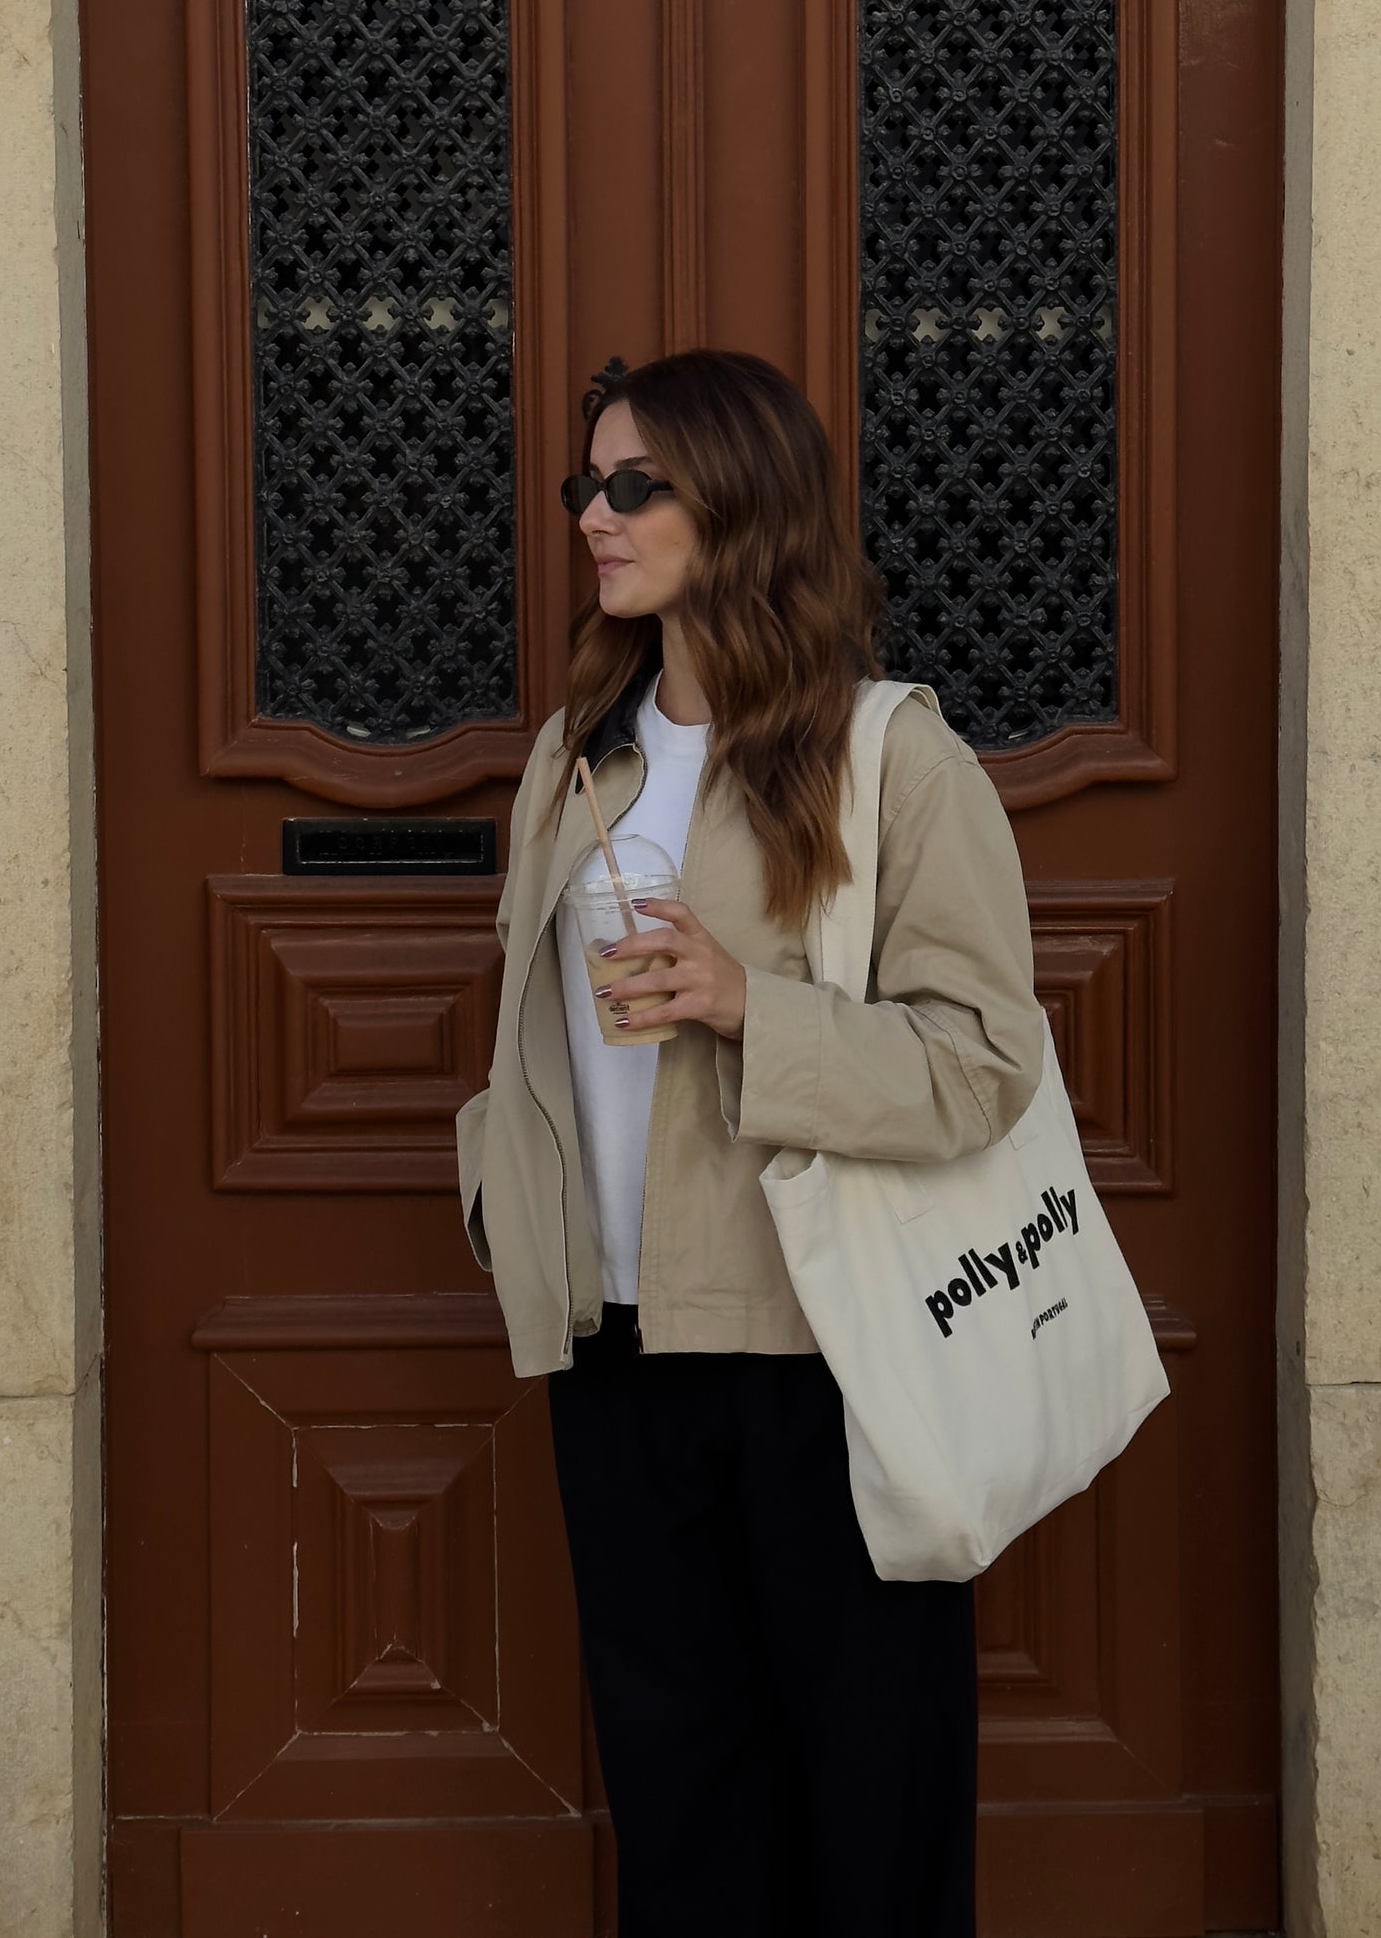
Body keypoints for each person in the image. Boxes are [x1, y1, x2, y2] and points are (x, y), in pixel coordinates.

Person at [456, 348, 1045, 1938]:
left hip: (824, 1344)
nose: (595, 511)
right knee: (679, 1787)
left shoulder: (885, 758)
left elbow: (983, 1063)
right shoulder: (580, 753)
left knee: (874, 1787)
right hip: (615, 1341)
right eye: (587, 481)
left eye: (635, 482)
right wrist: (505, 1214)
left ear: (746, 499)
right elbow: (526, 1043)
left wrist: (741, 1007)